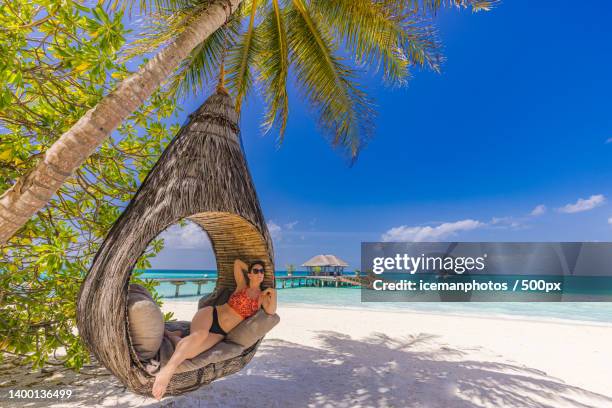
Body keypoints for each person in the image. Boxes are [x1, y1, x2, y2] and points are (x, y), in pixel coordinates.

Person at [152, 259, 277, 400]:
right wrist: (249, 269)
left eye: (262, 271)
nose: (259, 273)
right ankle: (168, 370)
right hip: (211, 314)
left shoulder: (262, 297)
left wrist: (273, 291)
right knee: (200, 335)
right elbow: (236, 263)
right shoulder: (242, 286)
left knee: (191, 353)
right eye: (256, 271)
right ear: (249, 274)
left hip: (220, 333)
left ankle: (175, 336)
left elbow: (271, 311)